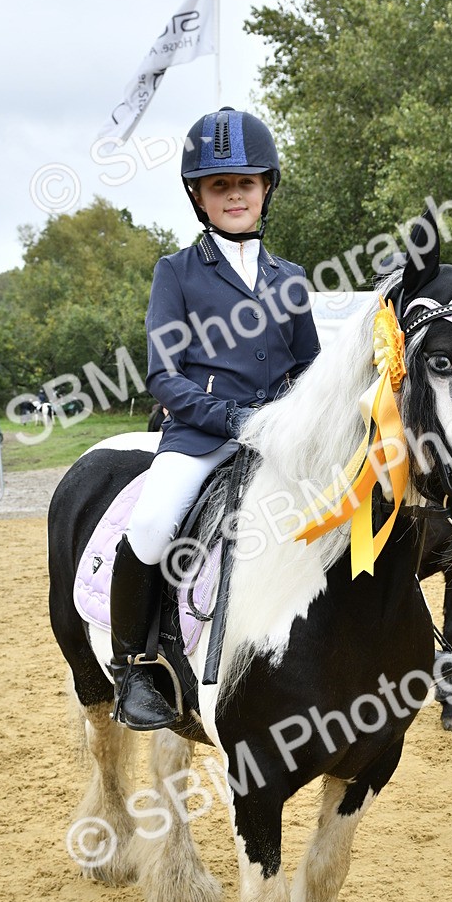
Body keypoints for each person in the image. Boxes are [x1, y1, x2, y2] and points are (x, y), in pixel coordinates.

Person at [109, 107, 320, 730]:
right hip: (200, 436)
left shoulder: (291, 278)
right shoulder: (174, 272)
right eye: (219, 185)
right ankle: (134, 669)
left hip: (279, 439)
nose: (234, 195)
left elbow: (309, 367)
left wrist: (300, 418)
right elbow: (163, 374)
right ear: (198, 196)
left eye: (245, 183)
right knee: (152, 526)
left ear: (266, 188)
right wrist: (231, 417)